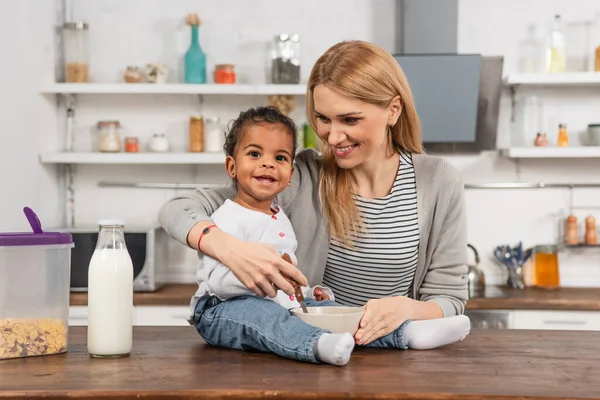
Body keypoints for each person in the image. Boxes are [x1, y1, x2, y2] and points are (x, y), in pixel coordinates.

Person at [159, 40, 471, 356]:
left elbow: (450, 299)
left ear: (393, 109)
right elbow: (178, 209)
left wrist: (407, 309)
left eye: (350, 120)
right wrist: (230, 249)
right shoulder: (303, 175)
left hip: (392, 362)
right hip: (310, 357)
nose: (333, 137)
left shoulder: (439, 181)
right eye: (323, 118)